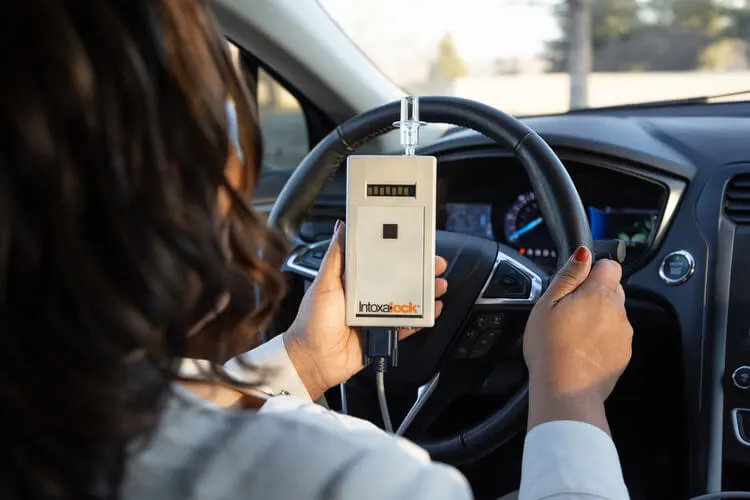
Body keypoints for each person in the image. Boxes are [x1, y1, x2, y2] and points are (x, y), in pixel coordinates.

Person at [0, 1, 633, 500]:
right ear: (180, 166)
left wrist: (301, 362)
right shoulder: (348, 481)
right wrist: (568, 389)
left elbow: (155, 401)